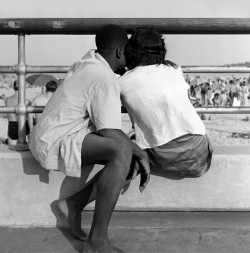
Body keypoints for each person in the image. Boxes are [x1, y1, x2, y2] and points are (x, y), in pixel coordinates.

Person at [29, 25, 150, 253]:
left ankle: (73, 205)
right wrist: (141, 152)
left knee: (126, 152)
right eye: (128, 52)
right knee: (124, 151)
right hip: (55, 142)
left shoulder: (88, 63)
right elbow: (110, 133)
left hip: (47, 136)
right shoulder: (104, 77)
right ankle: (96, 243)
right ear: (119, 52)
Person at [119, 29, 212, 180]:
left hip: (163, 159)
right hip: (201, 154)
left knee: (125, 146)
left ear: (130, 52)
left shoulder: (122, 82)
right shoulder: (174, 70)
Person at [4, 80, 31, 145]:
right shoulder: (28, 101)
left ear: (13, 87)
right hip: (24, 125)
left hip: (12, 125)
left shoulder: (7, 100)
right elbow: (30, 117)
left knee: (11, 150)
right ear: (23, 88)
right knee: (27, 150)